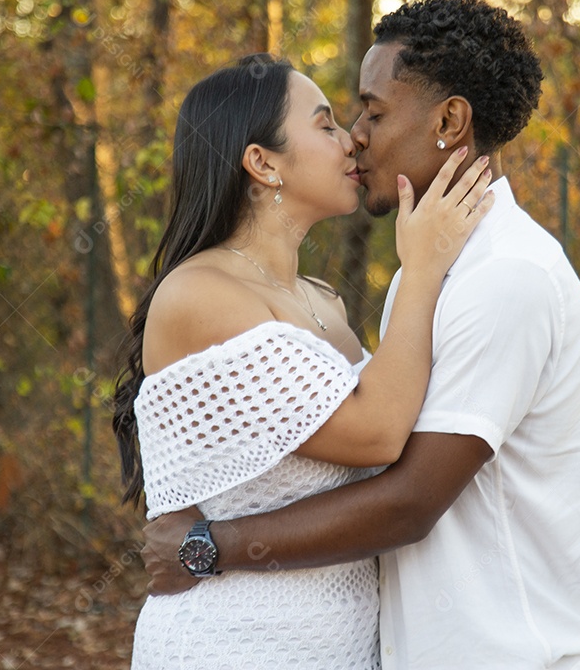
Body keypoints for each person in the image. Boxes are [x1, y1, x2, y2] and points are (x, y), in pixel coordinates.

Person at [142, 0, 580, 670]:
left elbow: (408, 499)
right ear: (261, 162)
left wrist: (208, 545)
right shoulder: (424, 272)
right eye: (340, 120)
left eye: (371, 111)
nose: (355, 136)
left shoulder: (503, 275)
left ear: (449, 121)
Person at [111, 53, 495, 668]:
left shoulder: (322, 301)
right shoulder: (199, 294)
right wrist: (422, 267)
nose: (352, 140)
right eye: (326, 125)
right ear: (262, 163)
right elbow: (377, 433)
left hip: (337, 648)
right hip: (231, 647)